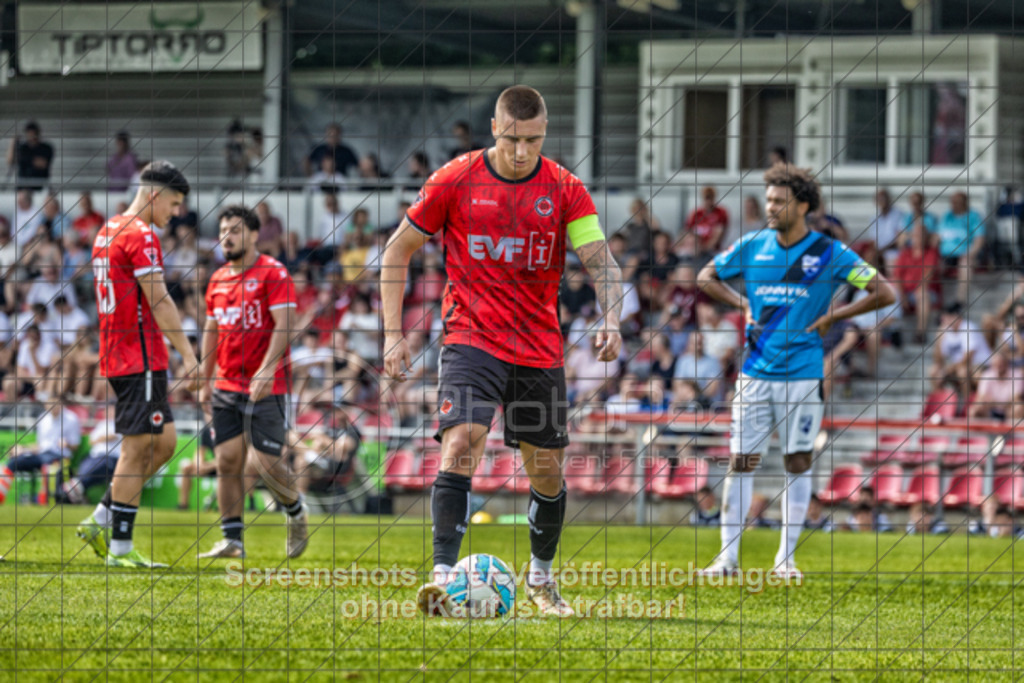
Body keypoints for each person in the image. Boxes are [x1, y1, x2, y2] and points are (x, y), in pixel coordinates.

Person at [381, 85, 623, 618]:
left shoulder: (564, 188)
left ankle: (541, 578)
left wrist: (611, 317)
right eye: (514, 139)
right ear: (495, 128)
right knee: (462, 438)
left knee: (547, 471)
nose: (522, 152)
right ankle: (442, 577)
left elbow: (601, 260)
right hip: (472, 336)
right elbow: (396, 250)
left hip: (538, 347)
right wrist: (392, 334)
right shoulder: (455, 178)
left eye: (533, 140)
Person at [696, 162, 896, 580]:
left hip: (803, 375)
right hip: (754, 374)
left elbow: (884, 291)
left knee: (798, 461)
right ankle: (727, 560)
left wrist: (837, 314)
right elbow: (706, 276)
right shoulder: (751, 246)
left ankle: (785, 560)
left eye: (778, 201)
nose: (770, 208)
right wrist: (741, 304)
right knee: (741, 463)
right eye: (768, 200)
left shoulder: (830, 252)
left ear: (802, 205)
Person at [76, 161, 200, 569]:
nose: (176, 212)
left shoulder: (107, 229)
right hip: (138, 356)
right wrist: (189, 353)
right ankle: (121, 549)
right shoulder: (142, 234)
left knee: (163, 443)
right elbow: (160, 300)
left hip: (120, 352)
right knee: (137, 449)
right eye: (174, 202)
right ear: (153, 195)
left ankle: (101, 518)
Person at [198, 205, 308, 560]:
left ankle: (295, 511)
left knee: (266, 463)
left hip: (268, 385)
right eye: (223, 231)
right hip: (226, 385)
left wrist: (266, 368)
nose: (226, 237)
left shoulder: (273, 274)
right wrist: (204, 379)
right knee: (227, 460)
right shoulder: (217, 279)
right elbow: (211, 332)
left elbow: (286, 325)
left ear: (254, 234)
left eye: (234, 230)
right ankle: (232, 540)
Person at [937, 192, 985, 305]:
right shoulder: (947, 216)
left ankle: (960, 301)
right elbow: (938, 237)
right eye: (953, 202)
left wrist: (971, 253)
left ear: (965, 202)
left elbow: (979, 239)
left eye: (957, 202)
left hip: (964, 254)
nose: (954, 205)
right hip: (945, 255)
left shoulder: (974, 216)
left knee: (965, 264)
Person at [684, 185, 729, 260]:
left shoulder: (721, 213)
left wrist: (705, 249)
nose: (708, 201)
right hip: (695, 249)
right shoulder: (696, 213)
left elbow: (719, 235)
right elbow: (688, 232)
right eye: (706, 198)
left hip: (712, 250)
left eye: (710, 198)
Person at [8, 121, 54, 190]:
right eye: (29, 134)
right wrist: (12, 144)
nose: (31, 136)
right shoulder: (23, 147)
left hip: (40, 187)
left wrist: (24, 159)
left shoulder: (46, 148)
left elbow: (42, 163)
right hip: (22, 187)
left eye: (33, 134)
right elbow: (10, 161)